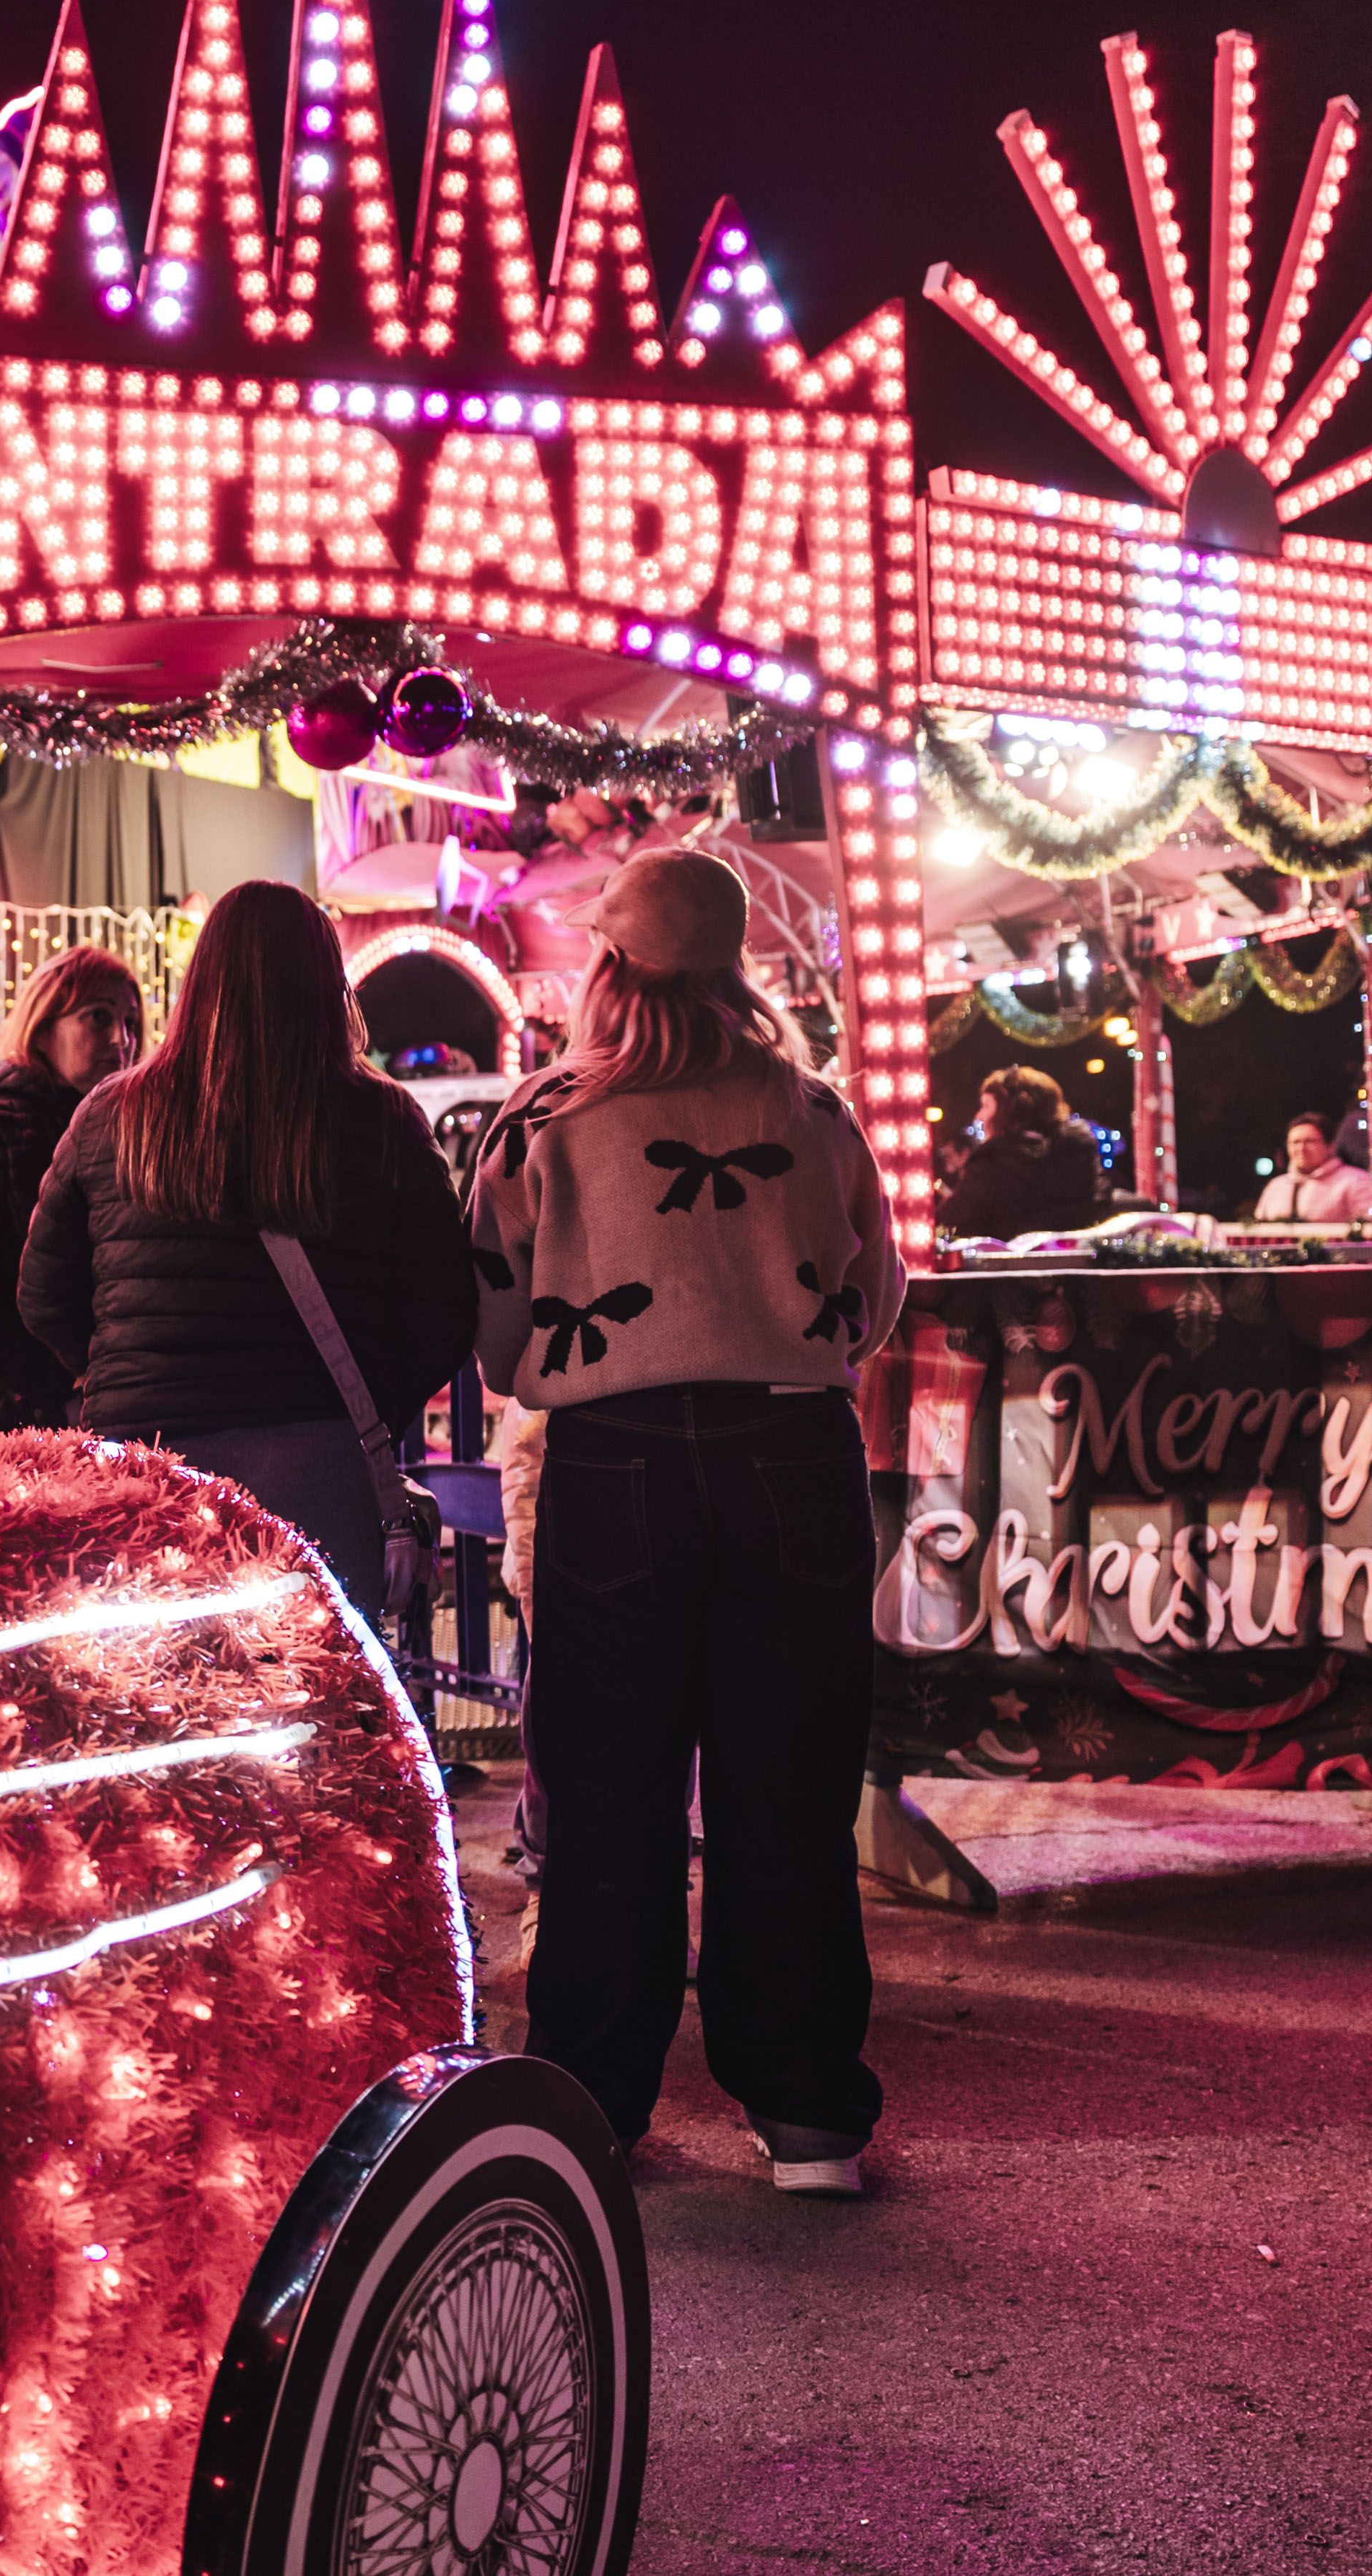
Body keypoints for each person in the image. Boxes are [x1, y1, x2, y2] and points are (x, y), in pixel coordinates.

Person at [466, 848, 905, 2198]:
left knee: (607, 1794)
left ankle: (597, 2098)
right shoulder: (812, 1106)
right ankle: (808, 2111)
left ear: (607, 965)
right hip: (793, 1454)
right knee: (790, 1788)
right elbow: (874, 1294)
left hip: (620, 1461)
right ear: (730, 965)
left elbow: (494, 1324)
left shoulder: (542, 1120)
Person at [17, 880, 473, 1612]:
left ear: (201, 980)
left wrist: (130, 1372)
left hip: (144, 1468)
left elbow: (42, 1297)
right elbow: (445, 1309)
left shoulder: (110, 1116)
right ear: (330, 985)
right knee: (322, 1706)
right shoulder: (382, 1119)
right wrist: (363, 1404)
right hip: (319, 1470)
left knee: (165, 1702)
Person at [0, 947, 146, 1431]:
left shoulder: (125, 1130)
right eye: (97, 1017)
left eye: (132, 1022)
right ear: (43, 1028)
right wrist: (44, 1376)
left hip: (114, 1405)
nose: (121, 1039)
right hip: (18, 1417)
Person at [935, 1063, 1104, 1240]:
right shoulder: (1081, 1156)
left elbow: (945, 1224)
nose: (979, 1116)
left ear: (1008, 1110)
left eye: (986, 1106)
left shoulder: (991, 1165)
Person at [1251, 1110, 1372, 1223]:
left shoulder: (1356, 1181)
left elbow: (1370, 1231)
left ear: (1331, 1146)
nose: (1301, 1149)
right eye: (1295, 1142)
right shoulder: (1276, 1186)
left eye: (1310, 1142)